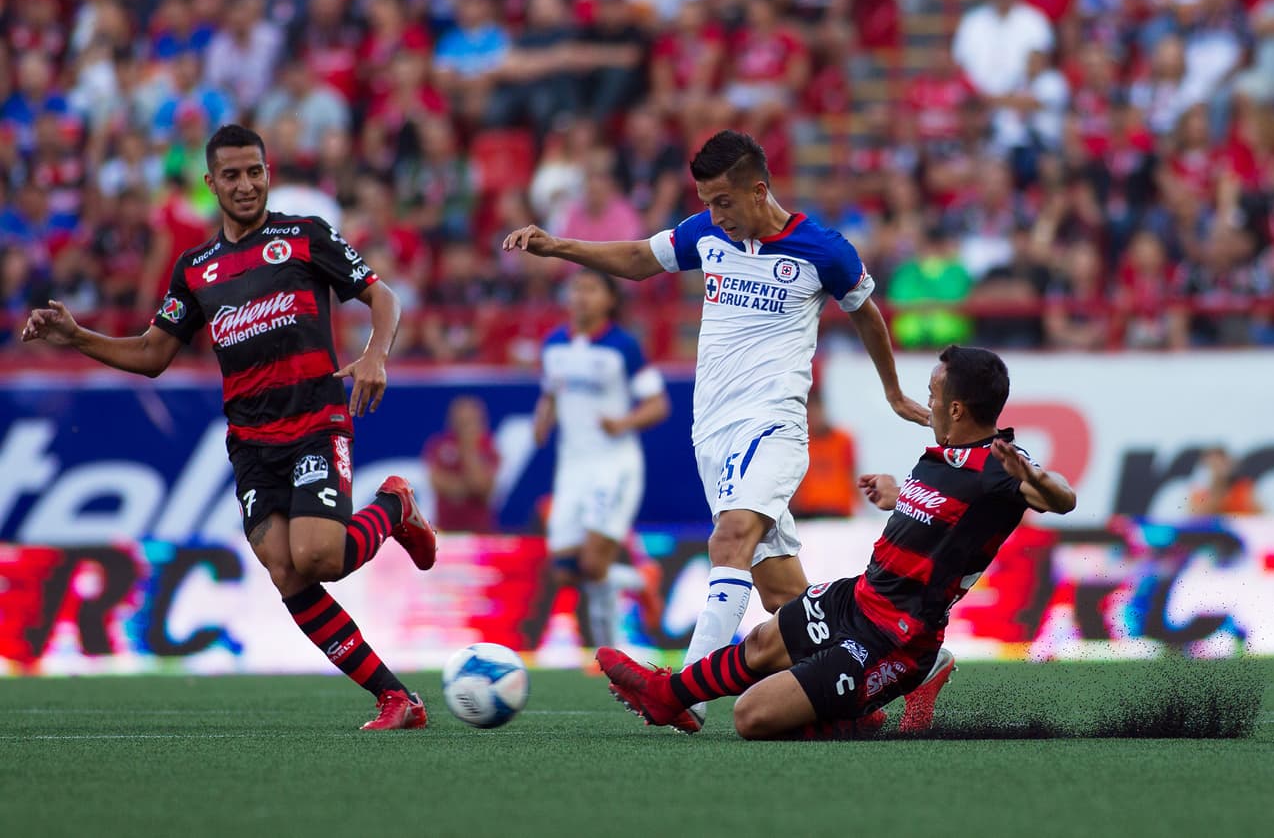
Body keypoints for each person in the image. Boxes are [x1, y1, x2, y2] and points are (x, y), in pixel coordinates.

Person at [504, 130, 928, 728]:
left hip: (773, 424)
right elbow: (637, 260)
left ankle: (684, 692)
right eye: (706, 201)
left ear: (759, 190)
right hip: (714, 434)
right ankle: (874, 692)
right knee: (785, 600)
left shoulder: (823, 249)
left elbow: (867, 315)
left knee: (729, 541)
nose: (714, 214)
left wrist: (891, 391)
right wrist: (558, 246)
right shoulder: (706, 233)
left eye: (724, 201)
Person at [21, 124, 438, 731]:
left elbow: (384, 298)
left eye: (256, 172)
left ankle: (394, 510)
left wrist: (376, 354)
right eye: (233, 175)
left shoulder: (303, 236)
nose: (246, 185)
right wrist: (78, 336)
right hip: (250, 442)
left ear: (268, 173)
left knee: (318, 555)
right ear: (211, 183)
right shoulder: (196, 268)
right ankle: (396, 699)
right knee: (285, 569)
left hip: (316, 421)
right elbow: (153, 353)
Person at [598, 346, 1077, 738]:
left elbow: (1061, 498)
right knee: (765, 640)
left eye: (932, 393)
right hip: (861, 598)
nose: (925, 401)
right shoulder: (941, 457)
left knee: (752, 717)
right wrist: (897, 495)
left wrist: (1034, 476)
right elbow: (941, 514)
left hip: (897, 638)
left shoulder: (1000, 466)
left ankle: (860, 714)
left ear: (956, 407)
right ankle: (669, 696)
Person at [533, 268, 671, 653]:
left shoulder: (623, 346)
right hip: (571, 469)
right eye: (576, 288)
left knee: (593, 565)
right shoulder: (554, 345)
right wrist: (542, 419)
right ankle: (641, 581)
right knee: (564, 571)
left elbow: (658, 404)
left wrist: (624, 421)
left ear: (609, 300)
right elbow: (550, 393)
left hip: (613, 464)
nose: (581, 296)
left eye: (591, 289)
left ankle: (606, 654)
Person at [424, 395, 501, 532]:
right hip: (446, 529)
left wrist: (469, 450)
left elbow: (481, 486)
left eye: (470, 421)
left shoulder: (489, 447)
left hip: (480, 530)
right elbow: (437, 482)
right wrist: (468, 489)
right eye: (462, 421)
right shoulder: (439, 445)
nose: (465, 426)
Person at [789, 394, 857, 520]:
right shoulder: (800, 441)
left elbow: (851, 473)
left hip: (838, 511)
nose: (813, 417)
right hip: (806, 512)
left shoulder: (843, 440)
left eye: (816, 411)